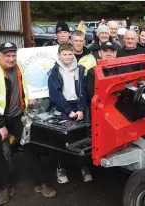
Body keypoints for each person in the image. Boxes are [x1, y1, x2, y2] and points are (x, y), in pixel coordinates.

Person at [0, 42, 56, 205]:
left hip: (15, 115)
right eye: (7, 55)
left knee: (30, 142)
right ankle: (6, 186)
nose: (11, 59)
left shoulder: (18, 68)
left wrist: (28, 101)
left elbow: (21, 90)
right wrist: (0, 126)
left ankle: (40, 183)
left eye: (13, 55)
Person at [48, 44, 91, 183]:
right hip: (62, 107)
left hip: (77, 106)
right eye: (64, 54)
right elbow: (56, 94)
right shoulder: (54, 72)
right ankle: (61, 168)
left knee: (82, 138)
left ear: (73, 54)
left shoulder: (80, 69)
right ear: (59, 55)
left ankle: (84, 166)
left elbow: (84, 92)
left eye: (70, 54)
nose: (67, 57)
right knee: (63, 140)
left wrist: (80, 109)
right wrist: (69, 111)